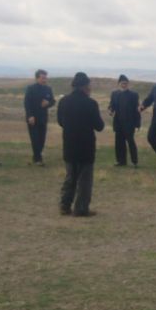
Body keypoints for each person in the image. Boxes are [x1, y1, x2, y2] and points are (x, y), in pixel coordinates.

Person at [57, 72, 105, 217]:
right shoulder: (91, 103)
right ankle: (81, 208)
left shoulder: (64, 101)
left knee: (70, 177)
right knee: (84, 180)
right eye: (89, 85)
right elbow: (99, 126)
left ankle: (65, 206)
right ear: (85, 86)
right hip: (86, 146)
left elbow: (60, 122)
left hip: (69, 144)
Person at [24, 69, 56, 166]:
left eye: (45, 78)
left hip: (43, 118)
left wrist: (48, 103)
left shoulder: (48, 89)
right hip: (33, 118)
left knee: (42, 139)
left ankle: (36, 157)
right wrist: (30, 116)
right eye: (42, 78)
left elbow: (53, 101)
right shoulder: (31, 89)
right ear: (37, 78)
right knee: (35, 139)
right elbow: (27, 103)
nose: (44, 80)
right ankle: (38, 159)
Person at [109, 75, 140, 167]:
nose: (124, 85)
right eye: (122, 83)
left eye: (125, 83)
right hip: (118, 122)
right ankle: (121, 161)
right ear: (119, 84)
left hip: (129, 123)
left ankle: (134, 162)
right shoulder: (114, 94)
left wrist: (137, 124)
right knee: (119, 143)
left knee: (131, 142)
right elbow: (112, 105)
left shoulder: (134, 95)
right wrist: (110, 110)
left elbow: (137, 110)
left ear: (128, 84)